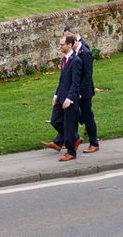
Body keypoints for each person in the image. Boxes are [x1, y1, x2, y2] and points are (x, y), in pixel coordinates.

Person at [42, 34, 81, 162]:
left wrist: (69, 99)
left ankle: (71, 152)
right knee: (55, 120)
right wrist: (56, 95)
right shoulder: (64, 60)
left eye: (62, 44)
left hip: (69, 99)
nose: (60, 46)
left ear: (70, 45)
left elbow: (76, 82)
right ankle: (74, 138)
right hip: (61, 97)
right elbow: (62, 80)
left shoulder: (76, 61)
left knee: (69, 125)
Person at [67, 28, 100, 154]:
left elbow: (87, 75)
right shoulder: (75, 52)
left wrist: (80, 93)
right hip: (77, 91)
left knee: (87, 117)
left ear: (73, 41)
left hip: (84, 92)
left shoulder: (85, 53)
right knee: (77, 114)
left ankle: (94, 143)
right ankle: (71, 140)